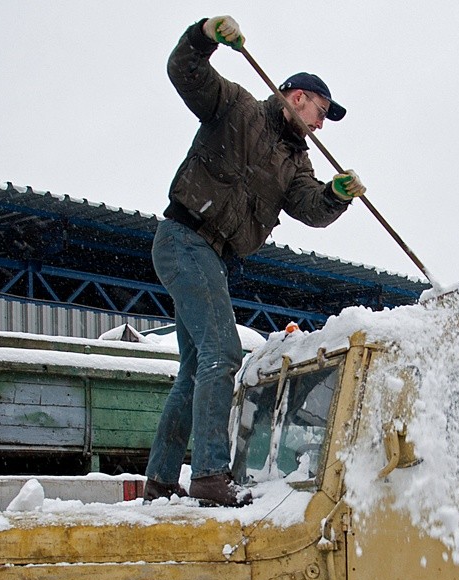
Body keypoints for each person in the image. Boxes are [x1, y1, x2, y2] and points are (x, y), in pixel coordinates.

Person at [144, 15, 366, 507]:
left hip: (213, 255)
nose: (321, 123)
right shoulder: (237, 107)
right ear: (297, 96)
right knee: (223, 352)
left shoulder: (294, 160)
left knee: (196, 367)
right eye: (321, 110)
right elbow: (184, 71)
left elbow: (309, 207)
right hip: (183, 235)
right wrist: (204, 35)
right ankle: (208, 475)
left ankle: (160, 482)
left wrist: (335, 194)